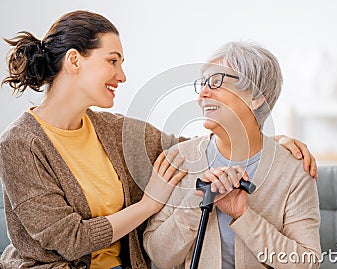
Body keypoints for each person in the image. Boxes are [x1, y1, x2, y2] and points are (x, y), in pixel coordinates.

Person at [0, 11, 317, 269]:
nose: (122, 75)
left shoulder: (114, 130)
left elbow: (198, 147)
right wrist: (151, 204)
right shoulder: (19, 145)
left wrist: (270, 140)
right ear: (74, 60)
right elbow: (71, 240)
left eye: (216, 82)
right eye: (113, 61)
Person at [143, 42, 321, 269]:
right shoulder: (179, 159)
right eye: (203, 84)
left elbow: (307, 263)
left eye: (217, 82)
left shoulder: (294, 169)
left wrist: (243, 215)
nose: (203, 95)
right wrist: (198, 201)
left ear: (256, 97)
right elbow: (159, 257)